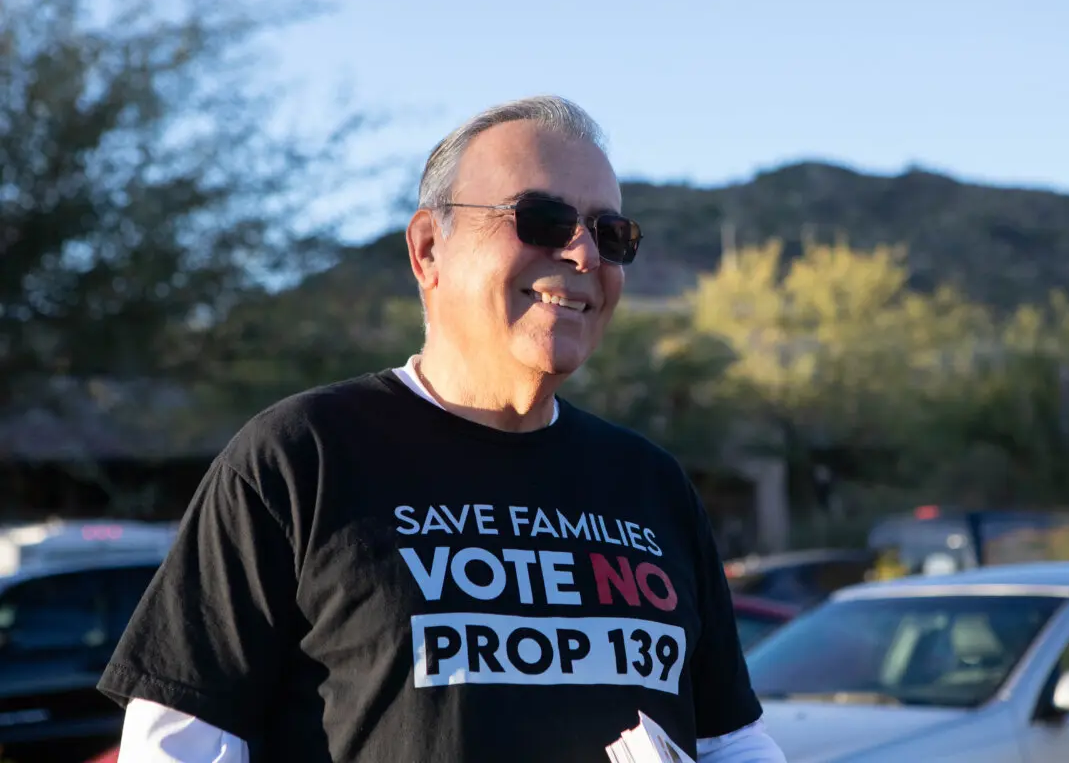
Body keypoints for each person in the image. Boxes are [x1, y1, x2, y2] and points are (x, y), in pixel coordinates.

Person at [98, 95, 787, 763]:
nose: (583, 255)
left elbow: (728, 740)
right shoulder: (300, 458)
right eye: (543, 219)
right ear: (429, 249)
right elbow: (180, 745)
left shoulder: (651, 483)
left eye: (612, 234)